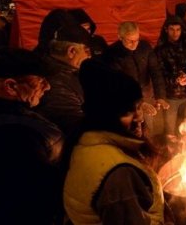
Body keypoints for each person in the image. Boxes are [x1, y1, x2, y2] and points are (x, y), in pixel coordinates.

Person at [64, 59, 173, 224]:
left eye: (138, 107)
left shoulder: (87, 137)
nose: (139, 118)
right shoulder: (118, 175)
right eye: (127, 113)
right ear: (106, 116)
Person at [0, 47, 64, 225]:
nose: (48, 87)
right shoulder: (15, 135)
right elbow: (32, 195)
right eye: (41, 80)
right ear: (11, 86)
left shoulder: (14, 119)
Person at [103, 21, 168, 134]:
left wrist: (160, 96)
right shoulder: (112, 54)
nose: (134, 44)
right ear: (120, 37)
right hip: (126, 101)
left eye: (137, 40)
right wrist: (139, 103)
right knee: (132, 131)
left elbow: (155, 71)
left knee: (148, 128)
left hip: (146, 95)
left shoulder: (145, 47)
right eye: (130, 41)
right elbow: (117, 83)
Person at [35, 24, 92, 137]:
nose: (90, 56)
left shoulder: (68, 72)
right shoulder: (55, 83)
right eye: (87, 50)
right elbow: (75, 123)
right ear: (71, 51)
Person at [155, 15, 186, 137]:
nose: (175, 33)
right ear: (166, 30)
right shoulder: (160, 50)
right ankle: (172, 153)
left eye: (178, 29)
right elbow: (159, 75)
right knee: (170, 130)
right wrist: (175, 80)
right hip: (170, 97)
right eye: (172, 29)